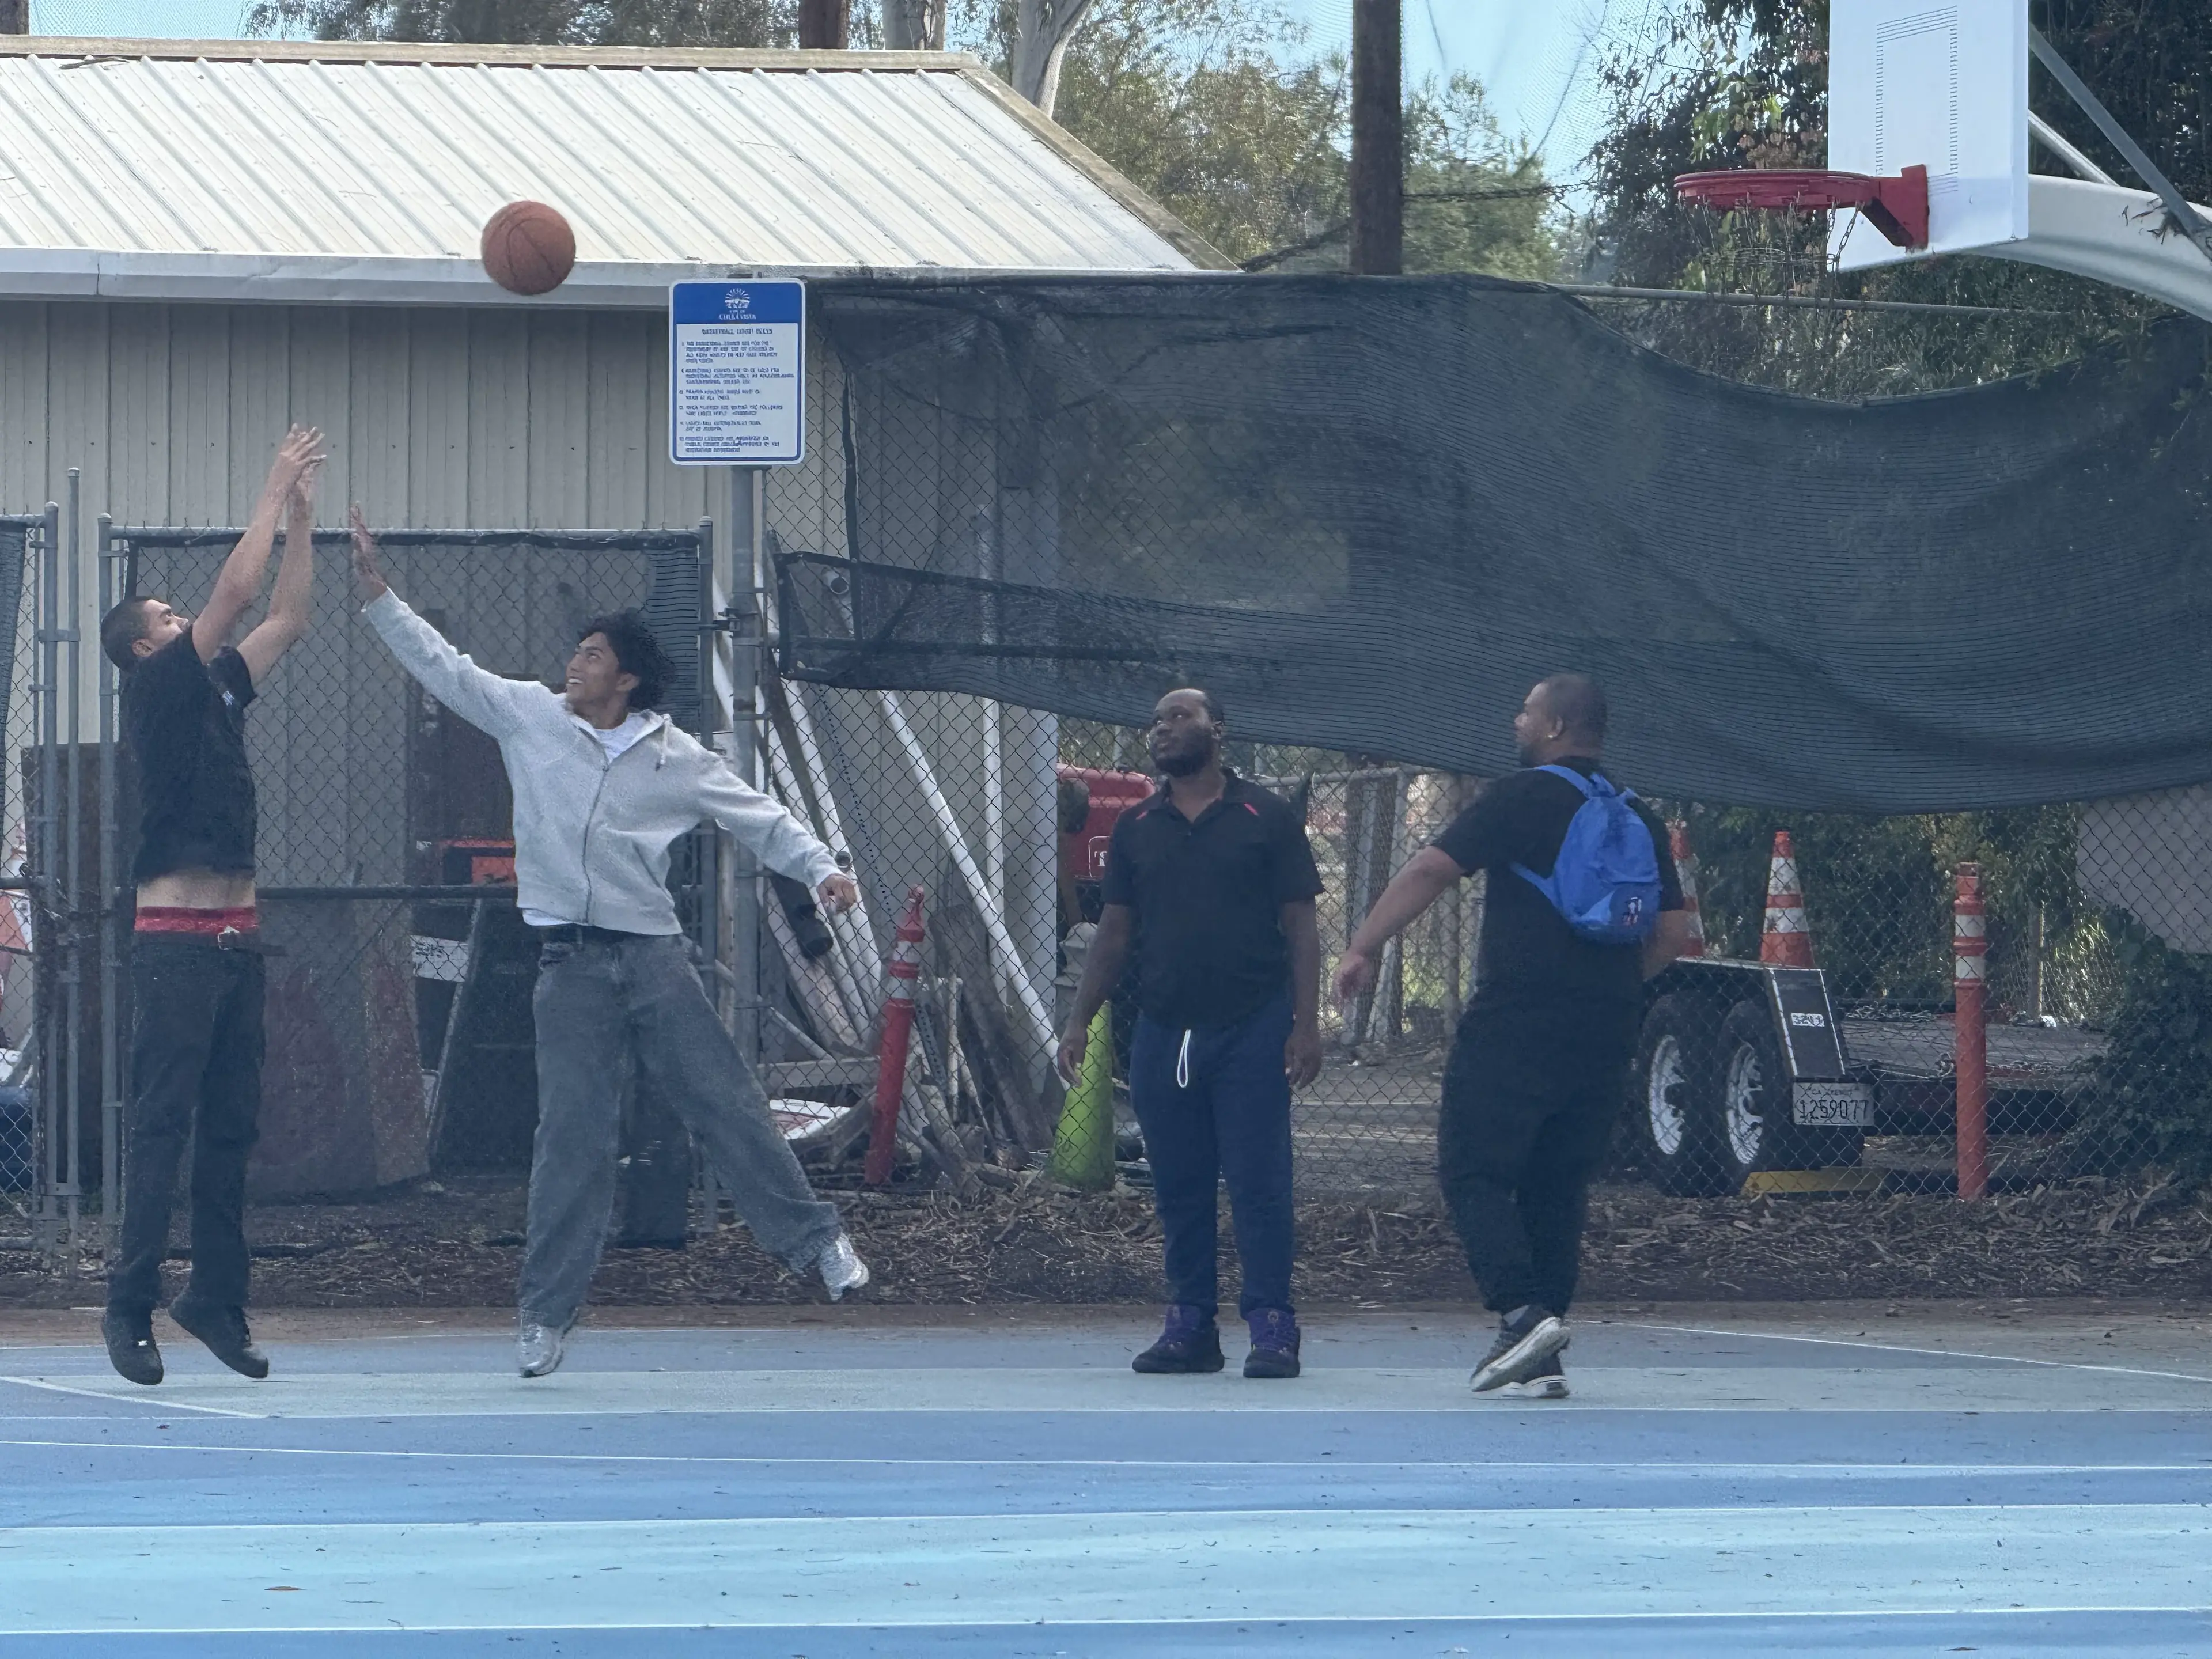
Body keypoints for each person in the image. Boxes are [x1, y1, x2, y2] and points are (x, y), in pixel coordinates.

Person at [347, 507, 870, 1378]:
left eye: (591, 656)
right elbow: (445, 669)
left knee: (726, 1103)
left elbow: (762, 817)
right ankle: (545, 1315)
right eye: (576, 652)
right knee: (572, 1138)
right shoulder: (528, 717)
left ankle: (817, 1246)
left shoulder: (678, 759)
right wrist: (378, 595)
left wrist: (822, 869)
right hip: (570, 967)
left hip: (655, 960)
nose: (573, 664)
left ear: (625, 680)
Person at [1336, 675, 1689, 1398]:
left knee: (1472, 1167)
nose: (1515, 722)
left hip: (1519, 1015)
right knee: (1558, 1182)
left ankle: (1521, 1312)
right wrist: (1612, 984)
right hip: (1610, 1020)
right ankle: (1545, 1346)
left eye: (1526, 712)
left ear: (1556, 725)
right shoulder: (1640, 817)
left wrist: (1364, 944)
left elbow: (1435, 867)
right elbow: (1677, 934)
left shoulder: (1520, 799)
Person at [99, 425, 328, 1387]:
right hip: (176, 943)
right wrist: (270, 490)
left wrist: (305, 525)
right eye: (167, 610)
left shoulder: (218, 690)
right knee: (164, 1124)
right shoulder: (156, 686)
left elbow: (283, 618)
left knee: (232, 1129)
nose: (184, 612)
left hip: (238, 942)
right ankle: (128, 1305)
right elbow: (235, 594)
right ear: (146, 642)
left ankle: (215, 1302)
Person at [1057, 688, 1324, 1379]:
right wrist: (1081, 1019)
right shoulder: (1139, 826)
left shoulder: (1265, 816)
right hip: (1164, 1029)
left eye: (1180, 716)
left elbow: (1301, 926)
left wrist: (1305, 1023)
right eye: (1155, 720)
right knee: (1179, 1181)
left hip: (1253, 1025)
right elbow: (1114, 933)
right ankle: (1191, 1325)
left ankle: (1272, 1324)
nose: (1164, 729)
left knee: (1259, 1180)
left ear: (1219, 730)